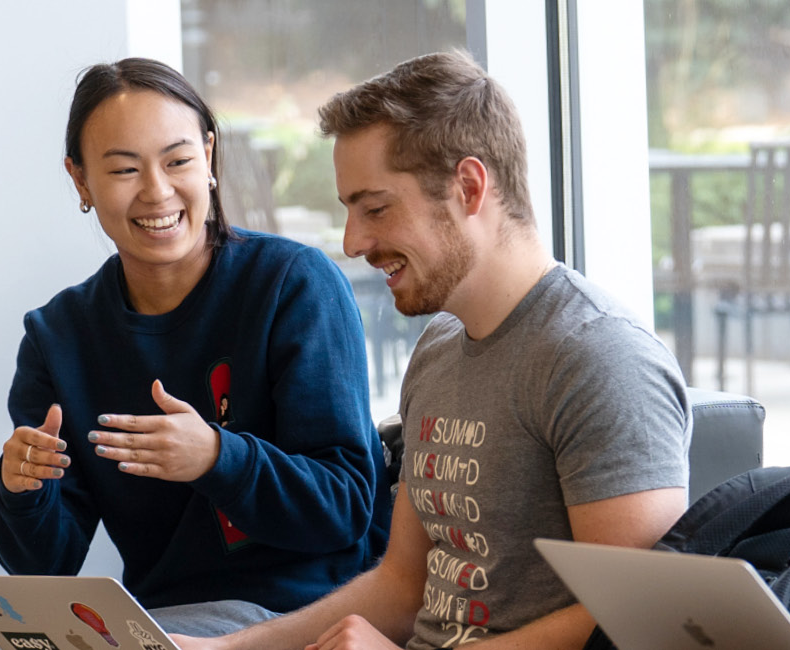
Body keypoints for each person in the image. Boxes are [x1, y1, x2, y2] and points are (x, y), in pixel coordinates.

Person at [174, 50, 693, 650]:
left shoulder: (600, 359)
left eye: (376, 208)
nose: (353, 242)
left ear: (469, 187)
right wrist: (229, 649)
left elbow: (634, 622)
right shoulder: (440, 348)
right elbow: (402, 585)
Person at [0, 58, 393, 636]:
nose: (157, 192)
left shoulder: (292, 285)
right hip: (165, 624)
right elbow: (45, 567)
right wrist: (19, 489)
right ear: (81, 181)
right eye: (125, 169)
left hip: (307, 616)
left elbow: (345, 508)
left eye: (177, 161)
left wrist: (215, 458)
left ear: (208, 158)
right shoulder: (60, 336)